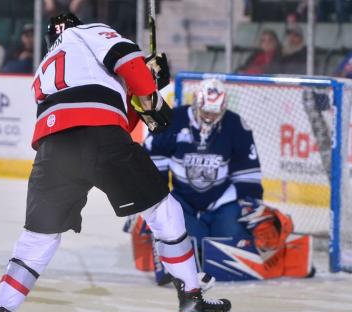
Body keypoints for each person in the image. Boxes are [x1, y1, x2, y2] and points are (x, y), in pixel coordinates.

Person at [0, 13, 231, 312]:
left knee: (38, 240)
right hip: (101, 139)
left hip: (52, 149)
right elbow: (123, 72)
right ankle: (191, 298)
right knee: (164, 211)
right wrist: (151, 92)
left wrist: (142, 93)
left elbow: (105, 109)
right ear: (77, 24)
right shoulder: (90, 31)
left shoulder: (46, 66)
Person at [126, 78, 313, 283]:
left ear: (223, 108)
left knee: (229, 238)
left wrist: (249, 203)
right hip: (183, 202)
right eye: (206, 112)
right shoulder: (173, 120)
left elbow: (247, 173)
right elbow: (153, 162)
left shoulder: (236, 126)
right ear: (197, 103)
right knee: (180, 239)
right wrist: (153, 202)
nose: (209, 118)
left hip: (223, 202)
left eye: (215, 113)